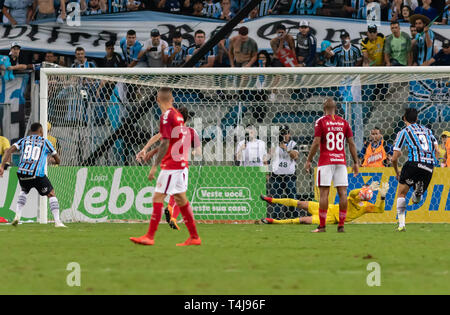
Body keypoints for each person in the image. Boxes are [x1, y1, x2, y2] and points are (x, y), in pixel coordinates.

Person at [130, 88, 201, 246]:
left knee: (158, 197)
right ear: (172, 99)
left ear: (157, 99)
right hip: (181, 164)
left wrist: (154, 165)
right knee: (181, 199)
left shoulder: (166, 116)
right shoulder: (177, 116)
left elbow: (165, 141)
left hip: (171, 165)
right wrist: (147, 150)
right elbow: (168, 139)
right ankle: (194, 237)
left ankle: (149, 236)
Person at [304, 98, 359, 233]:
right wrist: (356, 162)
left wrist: (309, 160)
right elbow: (351, 143)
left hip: (325, 161)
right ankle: (341, 225)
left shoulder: (320, 121)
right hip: (341, 161)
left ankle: (322, 226)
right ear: (336, 108)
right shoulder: (344, 122)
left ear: (324, 108)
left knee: (324, 194)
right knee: (343, 193)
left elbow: (316, 142)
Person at [0, 123, 66, 228]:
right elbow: (58, 160)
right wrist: (50, 159)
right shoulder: (45, 142)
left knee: (24, 191)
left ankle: (17, 216)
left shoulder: (24, 140)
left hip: (21, 172)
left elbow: (10, 150)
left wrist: (2, 166)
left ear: (31, 131)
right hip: (36, 173)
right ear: (41, 132)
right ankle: (58, 222)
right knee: (51, 194)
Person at [392, 108, 438, 232]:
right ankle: (418, 193)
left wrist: (397, 172)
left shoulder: (404, 131)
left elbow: (394, 157)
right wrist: (434, 162)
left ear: (404, 118)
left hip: (413, 163)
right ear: (417, 119)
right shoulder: (428, 131)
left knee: (401, 194)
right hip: (429, 166)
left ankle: (401, 225)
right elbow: (437, 149)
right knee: (417, 199)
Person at [260, 182, 389, 225]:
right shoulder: (354, 196)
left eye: (365, 190)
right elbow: (352, 193)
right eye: (363, 189)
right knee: (300, 203)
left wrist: (382, 198)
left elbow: (380, 210)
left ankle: (273, 221)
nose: (363, 191)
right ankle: (271, 200)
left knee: (303, 220)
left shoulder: (367, 207)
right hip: (328, 207)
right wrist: (366, 189)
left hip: (331, 218)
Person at [266, 126, 299, 219]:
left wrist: (286, 148)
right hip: (276, 176)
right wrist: (267, 173)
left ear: (289, 134)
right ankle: (276, 219)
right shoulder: (274, 145)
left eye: (285, 133)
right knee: (277, 199)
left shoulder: (293, 144)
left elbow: (295, 157)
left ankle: (296, 217)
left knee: (292, 198)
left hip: (289, 175)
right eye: (282, 133)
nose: (284, 135)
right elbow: (268, 159)